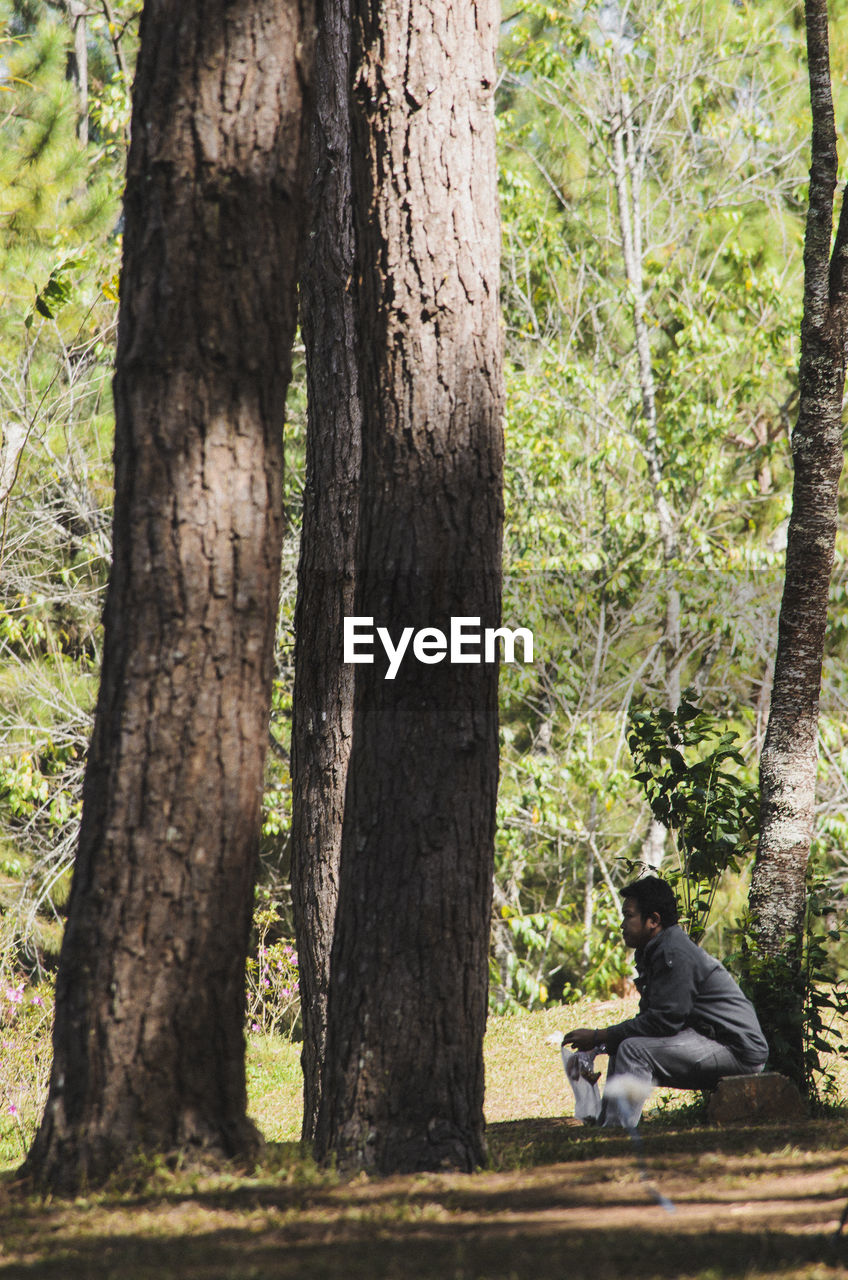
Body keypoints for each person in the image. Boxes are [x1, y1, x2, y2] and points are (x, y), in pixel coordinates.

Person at [565, 875, 768, 1127]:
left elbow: (663, 1022)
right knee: (623, 1043)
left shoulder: (673, 952)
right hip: (710, 1040)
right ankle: (607, 1125)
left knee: (632, 1049)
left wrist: (599, 1036)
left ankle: (615, 1133)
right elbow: (651, 1019)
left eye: (628, 916)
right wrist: (602, 1044)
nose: (622, 925)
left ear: (653, 920)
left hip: (735, 1049)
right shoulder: (655, 949)